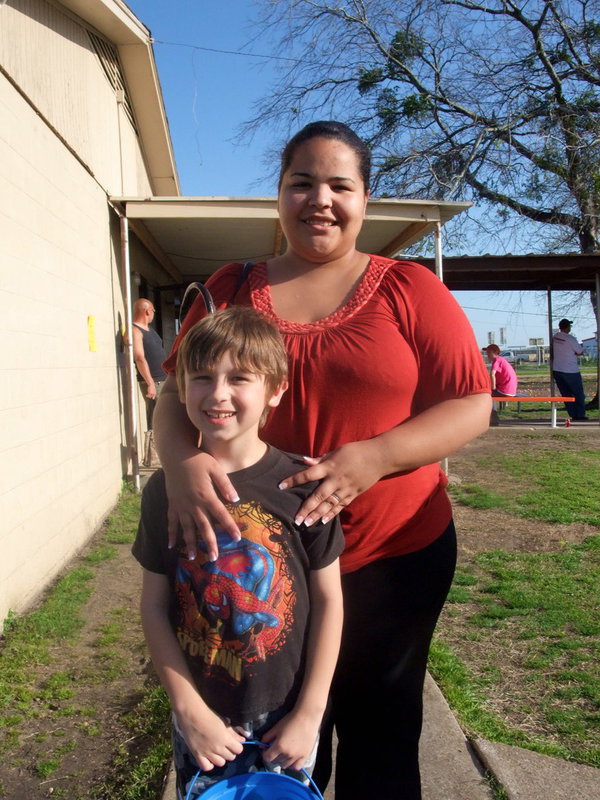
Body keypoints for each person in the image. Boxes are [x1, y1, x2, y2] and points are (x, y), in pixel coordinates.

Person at [154, 120, 491, 800]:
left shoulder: (410, 288)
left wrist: (375, 457)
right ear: (278, 195)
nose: (320, 200)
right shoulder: (232, 285)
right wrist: (181, 465)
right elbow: (172, 392)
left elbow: (471, 402)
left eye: (340, 185)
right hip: (263, 567)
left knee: (383, 733)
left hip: (393, 552)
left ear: (366, 198)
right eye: (301, 183)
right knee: (283, 741)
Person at [133, 306, 344, 800]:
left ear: (276, 389)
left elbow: (330, 602)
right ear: (180, 387)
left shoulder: (303, 488)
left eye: (240, 377)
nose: (219, 393)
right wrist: (187, 710)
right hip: (201, 716)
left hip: (286, 718)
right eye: (202, 377)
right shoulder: (163, 493)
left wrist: (311, 712)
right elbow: (153, 606)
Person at [132, 298, 167, 429]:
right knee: (156, 421)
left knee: (166, 418)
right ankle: (153, 449)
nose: (153, 313)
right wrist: (150, 383)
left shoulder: (150, 330)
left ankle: (165, 448)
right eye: (153, 310)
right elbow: (139, 357)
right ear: (147, 312)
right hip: (154, 382)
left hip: (163, 380)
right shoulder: (135, 331)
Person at [551, 318, 588, 421]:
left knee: (565, 393)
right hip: (571, 370)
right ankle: (580, 414)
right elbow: (580, 352)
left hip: (557, 369)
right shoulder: (571, 339)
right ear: (567, 327)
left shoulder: (555, 338)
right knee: (578, 393)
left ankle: (572, 413)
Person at [484, 344, 518, 426]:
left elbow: (492, 374)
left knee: (484, 396)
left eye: (489, 352)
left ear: (495, 352)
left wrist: (493, 388)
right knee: (488, 394)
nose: (487, 354)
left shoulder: (497, 360)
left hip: (505, 391)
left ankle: (493, 419)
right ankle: (493, 418)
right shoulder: (502, 360)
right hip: (509, 390)